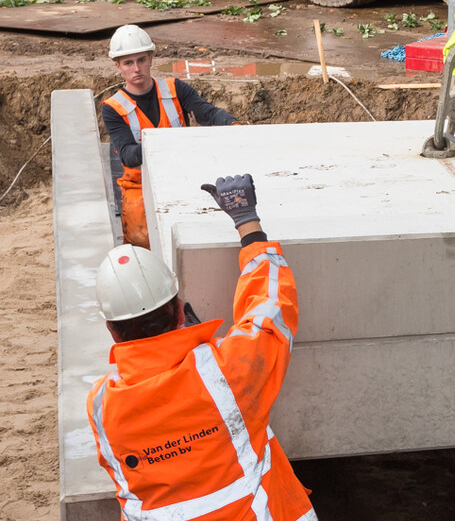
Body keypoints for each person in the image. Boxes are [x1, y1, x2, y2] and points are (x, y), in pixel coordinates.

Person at [86, 173, 316, 521]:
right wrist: (246, 222)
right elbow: (269, 311)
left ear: (112, 331)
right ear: (180, 309)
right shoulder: (226, 372)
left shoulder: (102, 406)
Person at [101, 24, 238, 248]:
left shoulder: (176, 90)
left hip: (181, 177)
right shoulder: (113, 107)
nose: (137, 68)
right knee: (142, 242)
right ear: (118, 66)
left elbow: (208, 113)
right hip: (139, 187)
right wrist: (160, 144)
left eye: (141, 60)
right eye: (128, 63)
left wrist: (232, 123)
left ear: (151, 59)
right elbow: (127, 155)